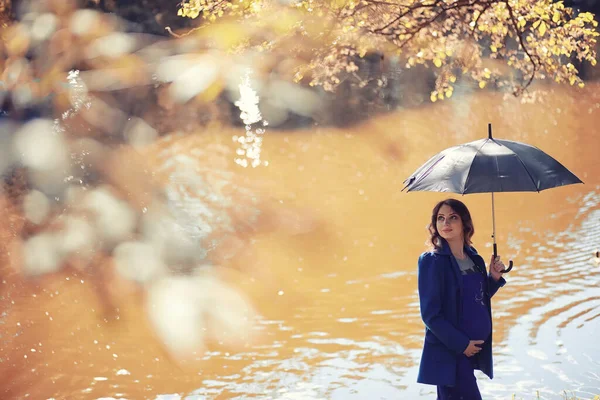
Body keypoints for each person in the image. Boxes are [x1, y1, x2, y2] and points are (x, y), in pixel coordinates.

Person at [417, 198, 507, 399]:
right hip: (450, 352)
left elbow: (476, 298)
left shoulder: (473, 256)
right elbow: (431, 315)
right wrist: (461, 344)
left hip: (471, 351)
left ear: (465, 223)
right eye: (440, 218)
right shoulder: (431, 261)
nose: (445, 223)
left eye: (452, 217)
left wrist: (493, 278)